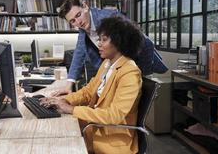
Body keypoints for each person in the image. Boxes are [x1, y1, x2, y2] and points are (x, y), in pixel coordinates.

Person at [40, 17, 144, 154]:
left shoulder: (130, 73)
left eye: (104, 39)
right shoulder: (107, 64)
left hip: (112, 141)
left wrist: (71, 109)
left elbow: (113, 116)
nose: (99, 44)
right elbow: (88, 91)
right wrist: (65, 100)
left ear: (119, 42)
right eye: (99, 39)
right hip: (95, 129)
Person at [53, 0, 167, 96]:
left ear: (85, 6)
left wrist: (144, 74)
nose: (78, 22)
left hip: (139, 63)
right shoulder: (83, 30)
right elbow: (79, 54)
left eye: (78, 15)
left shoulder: (109, 17)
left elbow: (144, 41)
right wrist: (69, 85)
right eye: (73, 21)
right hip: (116, 69)